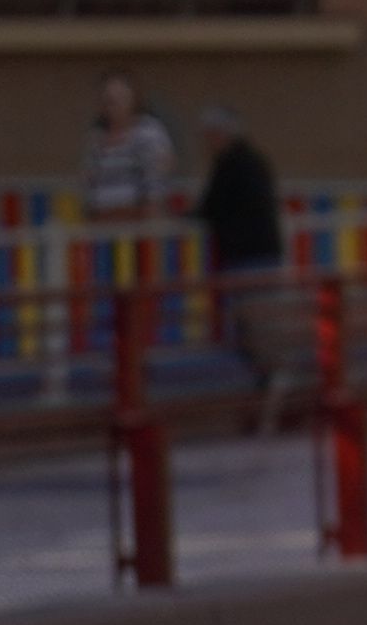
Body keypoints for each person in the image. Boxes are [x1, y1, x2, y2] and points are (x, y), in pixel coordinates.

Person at [193, 105, 292, 391]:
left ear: (220, 135)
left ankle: (270, 378)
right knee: (261, 320)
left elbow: (211, 207)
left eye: (209, 136)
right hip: (264, 251)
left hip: (246, 254)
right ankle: (269, 378)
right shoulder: (254, 160)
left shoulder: (231, 164)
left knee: (254, 322)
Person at [79, 71, 180, 223]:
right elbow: (89, 181)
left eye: (119, 98)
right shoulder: (96, 137)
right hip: (102, 222)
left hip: (136, 223)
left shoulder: (148, 133)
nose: (112, 105)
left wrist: (149, 218)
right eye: (107, 100)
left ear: (133, 99)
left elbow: (155, 183)